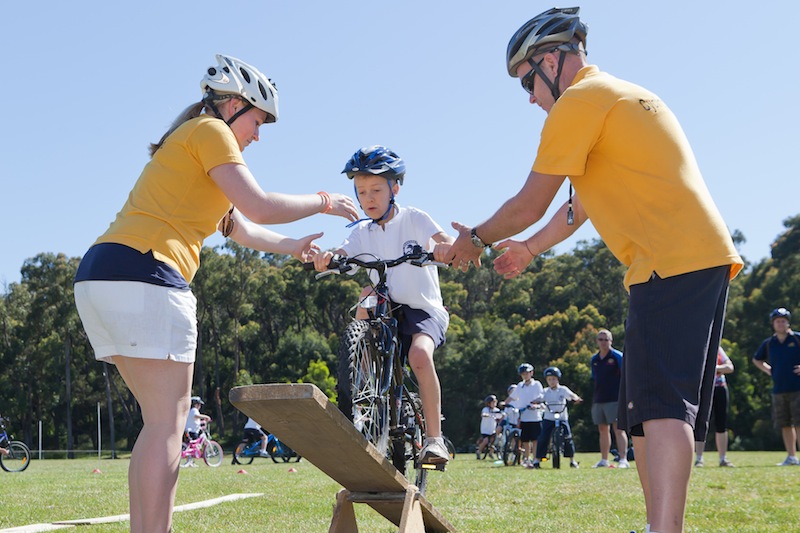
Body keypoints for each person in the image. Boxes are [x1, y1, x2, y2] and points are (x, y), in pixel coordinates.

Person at [445, 8, 743, 532]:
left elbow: (531, 200)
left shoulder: (579, 101)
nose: (530, 99)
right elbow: (576, 206)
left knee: (664, 411)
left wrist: (473, 241)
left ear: (553, 60)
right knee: (646, 415)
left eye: (527, 83)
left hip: (670, 263)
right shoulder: (618, 96)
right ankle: (657, 526)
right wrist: (531, 250)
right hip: (684, 260)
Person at [73, 54, 358, 533]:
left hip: (102, 274)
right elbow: (261, 206)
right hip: (148, 271)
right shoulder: (212, 133)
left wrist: (293, 247)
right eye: (257, 120)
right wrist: (325, 202)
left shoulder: (192, 144)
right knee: (169, 422)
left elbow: (241, 228)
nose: (257, 135)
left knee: (159, 422)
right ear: (231, 105)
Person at [312, 145, 454, 465]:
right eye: (361, 192)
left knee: (419, 355)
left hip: (423, 309)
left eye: (376, 189)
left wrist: (446, 250)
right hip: (387, 309)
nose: (369, 198)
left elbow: (443, 241)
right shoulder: (362, 232)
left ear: (395, 188)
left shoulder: (414, 219)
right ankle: (363, 391)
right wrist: (327, 259)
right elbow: (344, 253)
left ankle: (434, 439)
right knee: (366, 293)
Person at [752, 307, 800, 466]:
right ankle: (791, 457)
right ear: (773, 324)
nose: (781, 324)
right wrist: (768, 370)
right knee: (785, 424)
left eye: (783, 321)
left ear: (788, 323)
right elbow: (756, 359)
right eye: (778, 321)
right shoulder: (769, 343)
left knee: (799, 423)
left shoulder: (797, 339)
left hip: (797, 388)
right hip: (779, 389)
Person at [591, 329, 629, 469]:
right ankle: (604, 459)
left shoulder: (618, 356)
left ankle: (623, 459)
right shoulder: (594, 359)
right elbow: (595, 378)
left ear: (611, 341)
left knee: (618, 429)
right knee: (602, 429)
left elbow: (626, 375)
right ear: (597, 341)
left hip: (615, 398)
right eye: (600, 339)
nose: (603, 342)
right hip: (599, 398)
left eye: (606, 339)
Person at [530, 366, 582, 469]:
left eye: (553, 379)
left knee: (568, 437)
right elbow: (540, 397)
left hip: (562, 417)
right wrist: (534, 401)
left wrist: (576, 398)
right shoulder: (545, 391)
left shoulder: (563, 390)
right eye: (549, 379)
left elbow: (571, 395)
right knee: (543, 437)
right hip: (549, 417)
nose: (551, 381)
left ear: (558, 379)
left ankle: (572, 460)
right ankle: (537, 460)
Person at [694, 346, 735, 467]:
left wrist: (715, 368)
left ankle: (723, 459)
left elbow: (729, 367)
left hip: (719, 388)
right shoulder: (696, 346)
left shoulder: (718, 349)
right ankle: (699, 458)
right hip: (702, 389)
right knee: (700, 423)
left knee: (721, 424)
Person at [505, 363, 544, 467]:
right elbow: (512, 397)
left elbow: (541, 396)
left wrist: (536, 404)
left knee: (535, 439)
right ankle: (526, 458)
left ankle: (536, 458)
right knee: (525, 440)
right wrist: (504, 403)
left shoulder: (536, 384)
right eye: (523, 374)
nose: (525, 376)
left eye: (527, 373)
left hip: (535, 416)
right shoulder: (520, 386)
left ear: (531, 373)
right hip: (524, 416)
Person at [476, 394, 503, 458]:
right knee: (485, 441)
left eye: (495, 402)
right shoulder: (486, 409)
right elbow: (483, 414)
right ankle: (479, 451)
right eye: (493, 402)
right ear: (488, 403)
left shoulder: (496, 410)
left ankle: (491, 452)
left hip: (493, 429)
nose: (494, 403)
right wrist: (487, 415)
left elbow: (500, 416)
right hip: (485, 429)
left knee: (494, 441)